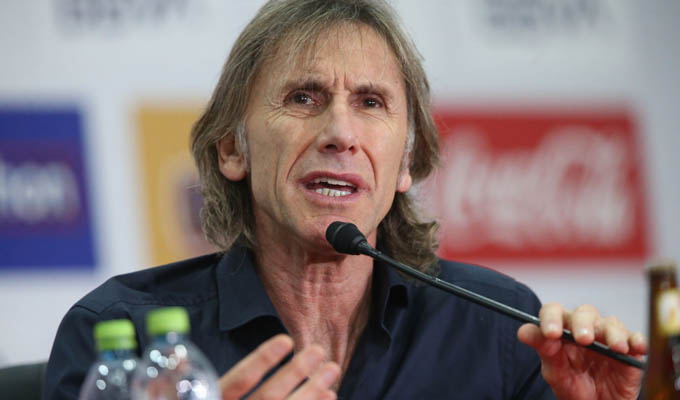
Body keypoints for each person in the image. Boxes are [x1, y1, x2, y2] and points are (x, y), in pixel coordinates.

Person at [44, 1, 647, 399]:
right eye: (303, 98)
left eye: (371, 102)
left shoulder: (498, 328)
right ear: (232, 149)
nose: (340, 133)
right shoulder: (124, 340)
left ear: (406, 161)